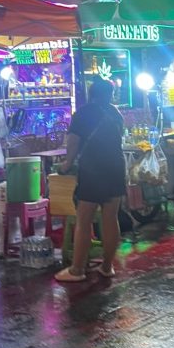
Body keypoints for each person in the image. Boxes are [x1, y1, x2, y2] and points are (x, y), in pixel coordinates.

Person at [55, 78, 125, 282]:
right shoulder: (115, 113)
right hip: (116, 166)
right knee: (111, 218)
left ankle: (77, 270)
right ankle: (107, 266)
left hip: (94, 168)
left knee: (84, 219)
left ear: (90, 93)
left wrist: (66, 164)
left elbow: (74, 142)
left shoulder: (83, 113)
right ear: (110, 94)